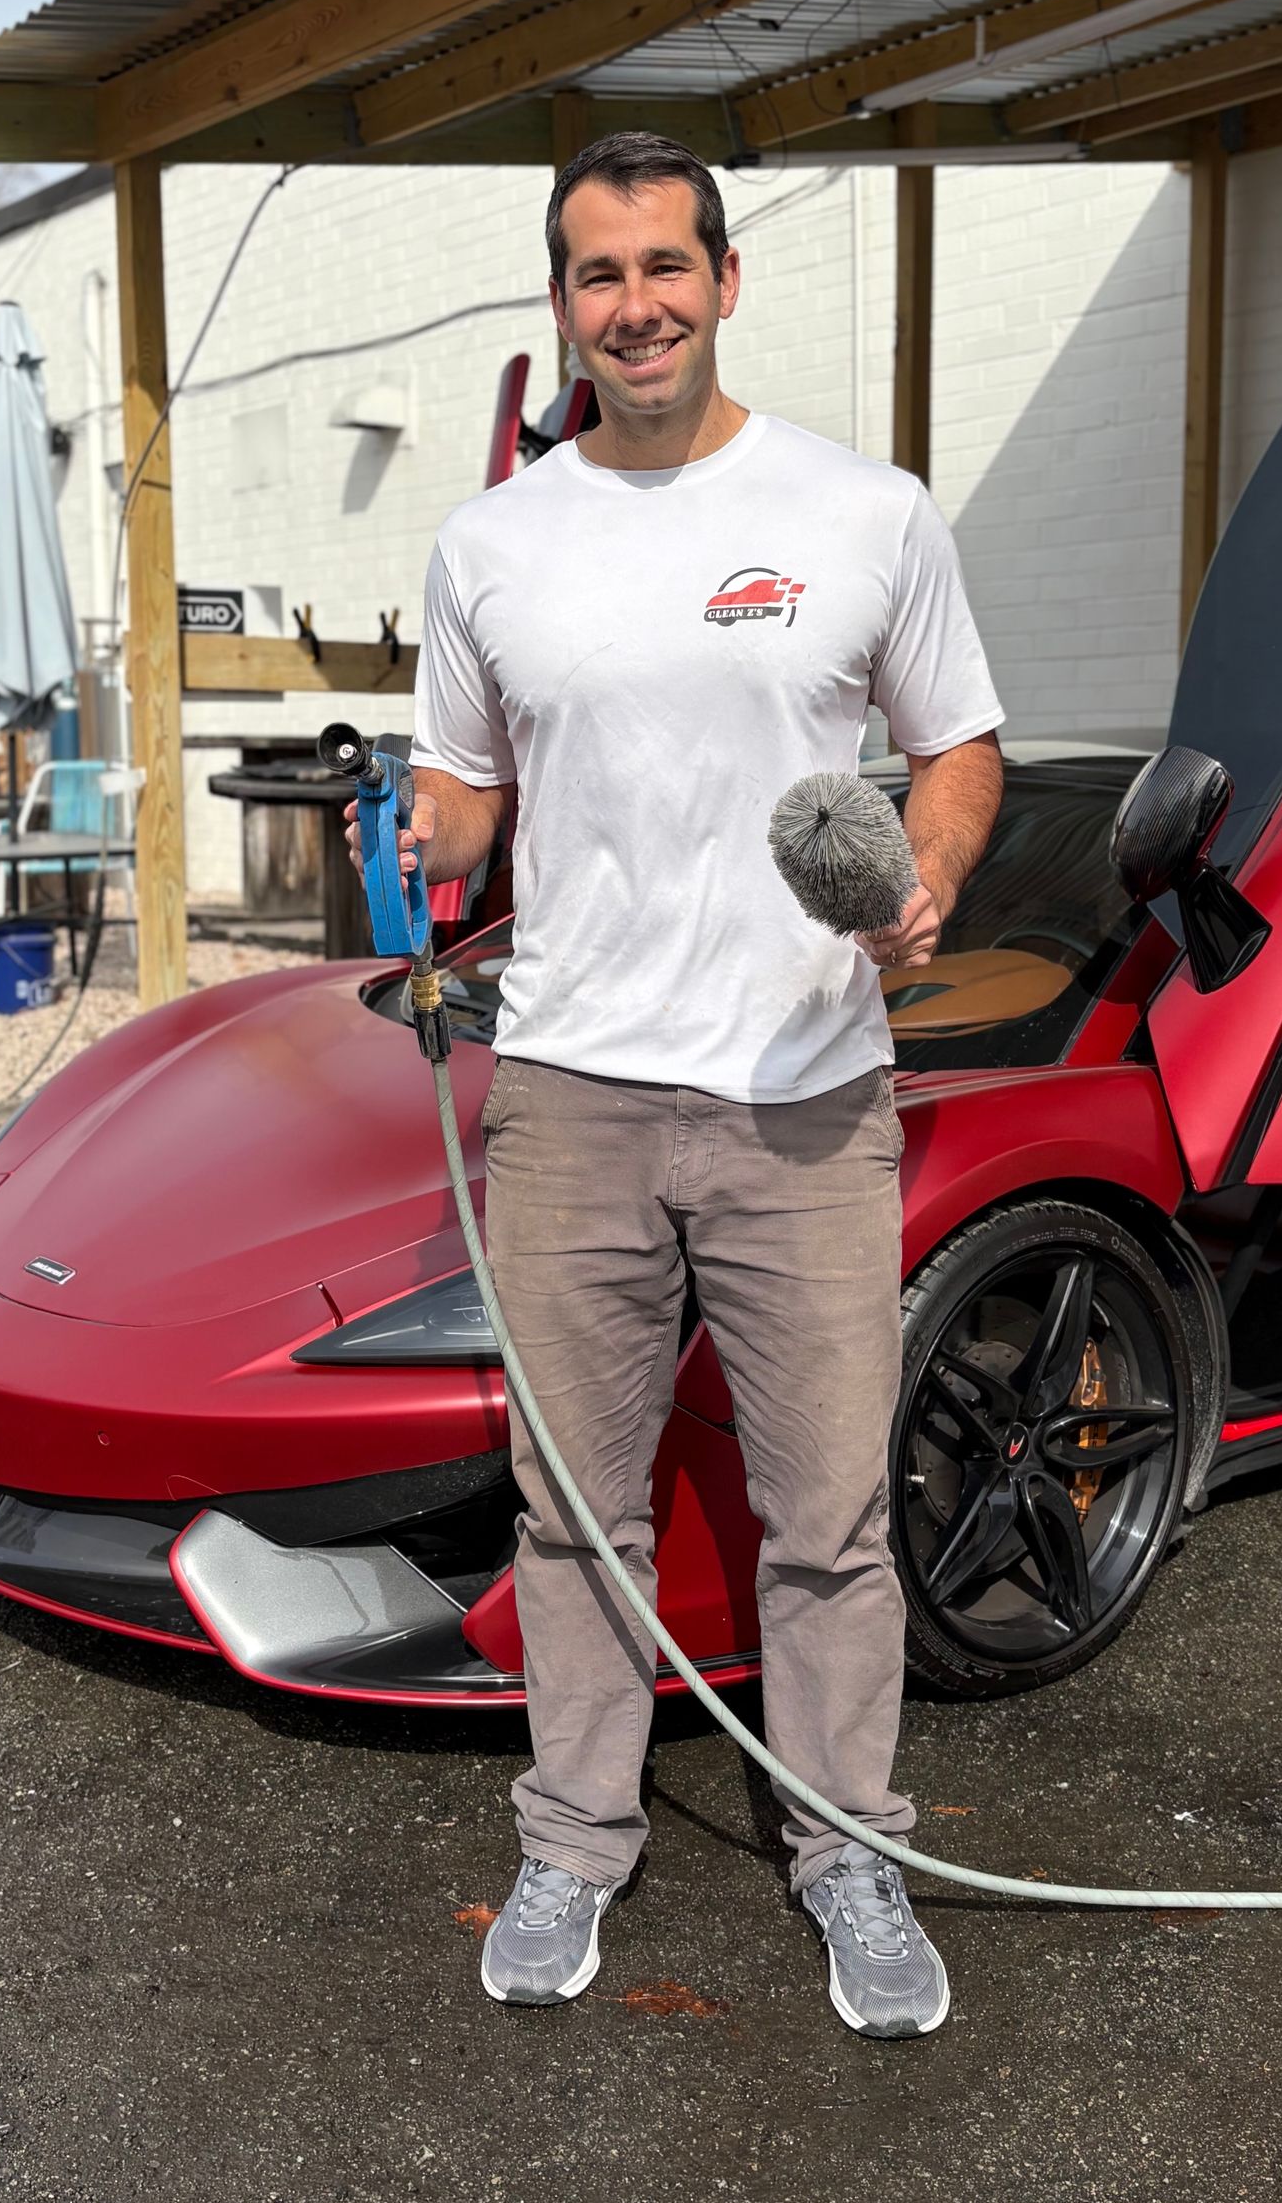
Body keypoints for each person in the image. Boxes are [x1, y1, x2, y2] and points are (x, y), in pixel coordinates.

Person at [349, 132, 1004, 2038]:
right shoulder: (492, 544)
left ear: (724, 278)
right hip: (569, 1096)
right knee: (575, 1510)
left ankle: (847, 1845)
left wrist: (930, 874)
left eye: (664, 265)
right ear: (561, 304)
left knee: (831, 1517)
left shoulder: (864, 511)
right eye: (597, 273)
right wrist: (421, 829)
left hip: (806, 1095)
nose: (633, 305)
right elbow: (469, 796)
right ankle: (573, 1840)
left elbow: (961, 745)